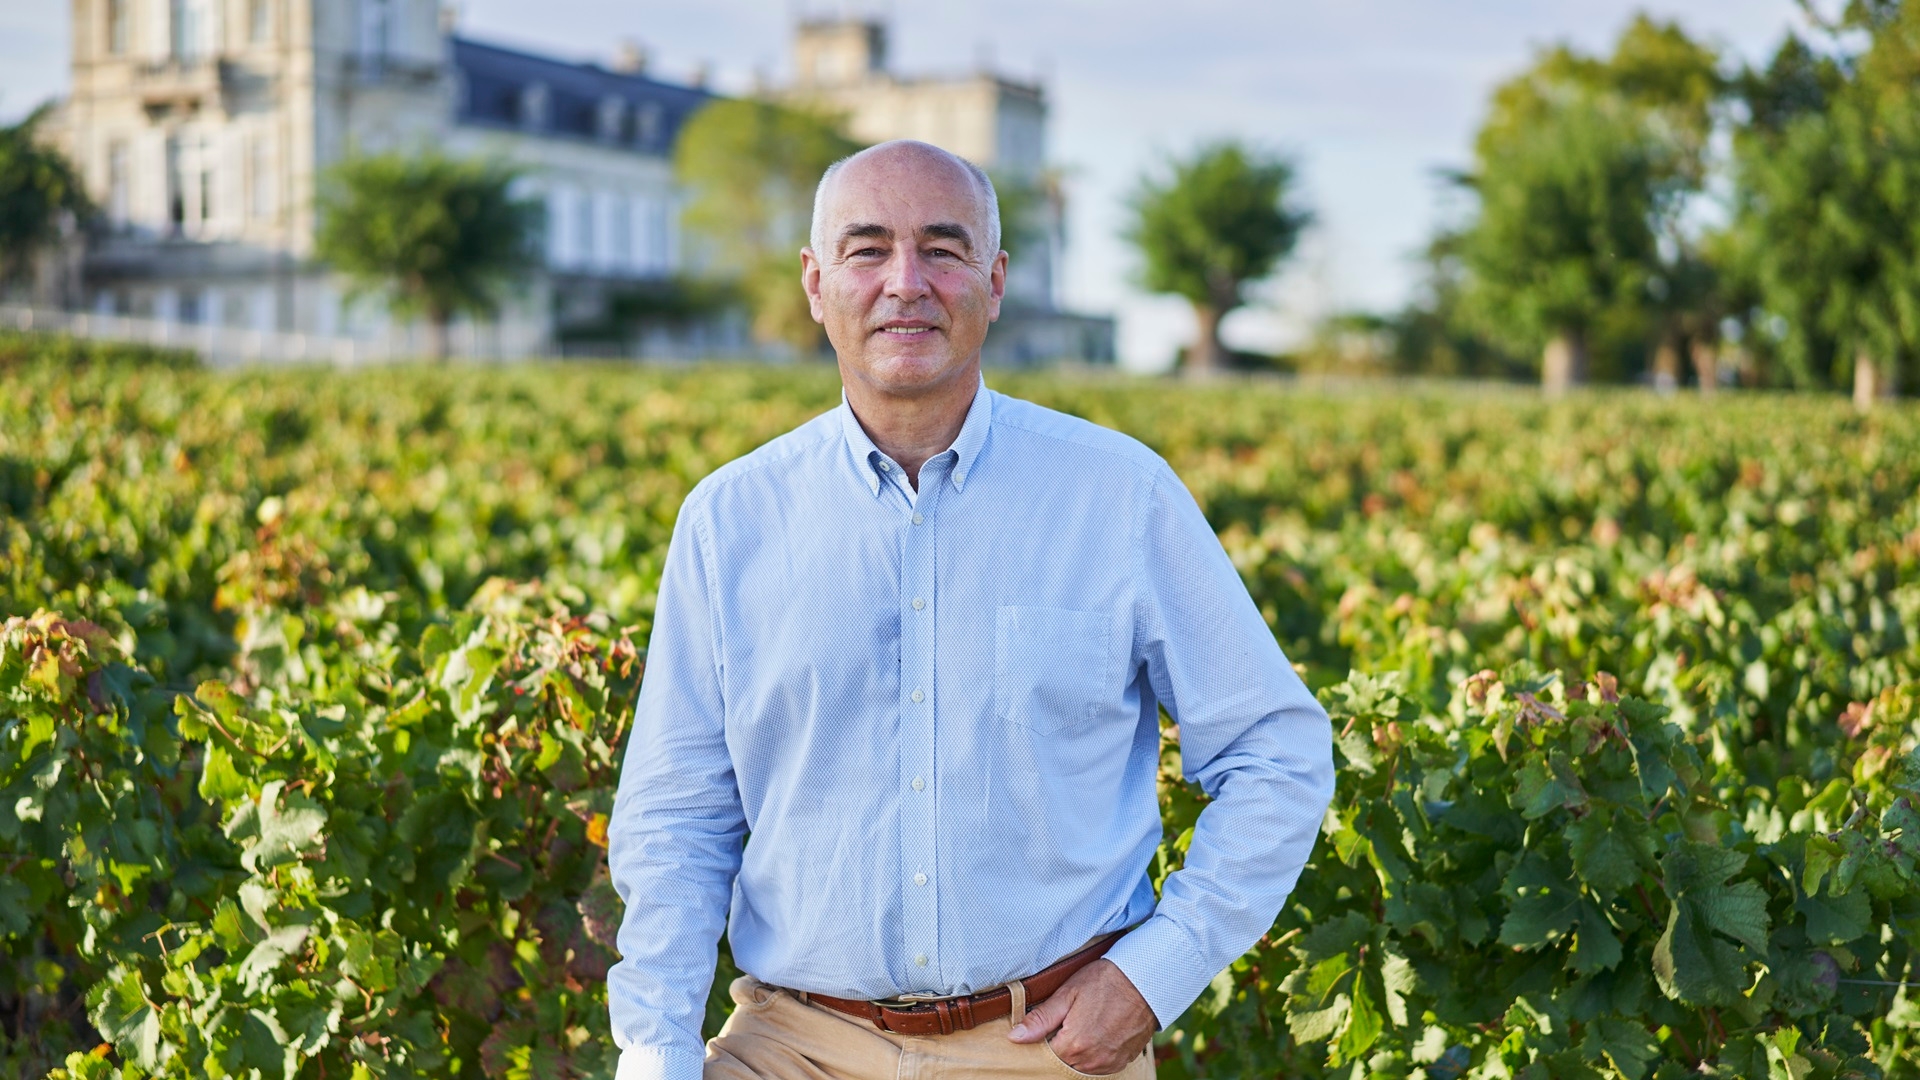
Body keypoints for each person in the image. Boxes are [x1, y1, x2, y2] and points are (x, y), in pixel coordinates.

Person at [606, 139, 1334, 1080]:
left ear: (993, 281)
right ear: (815, 282)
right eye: (867, 249)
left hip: (1050, 1050)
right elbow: (676, 816)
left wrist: (1156, 973)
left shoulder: (1121, 497)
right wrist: (656, 1056)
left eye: (942, 250)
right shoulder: (729, 521)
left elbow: (1276, 752)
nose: (905, 282)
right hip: (791, 1048)